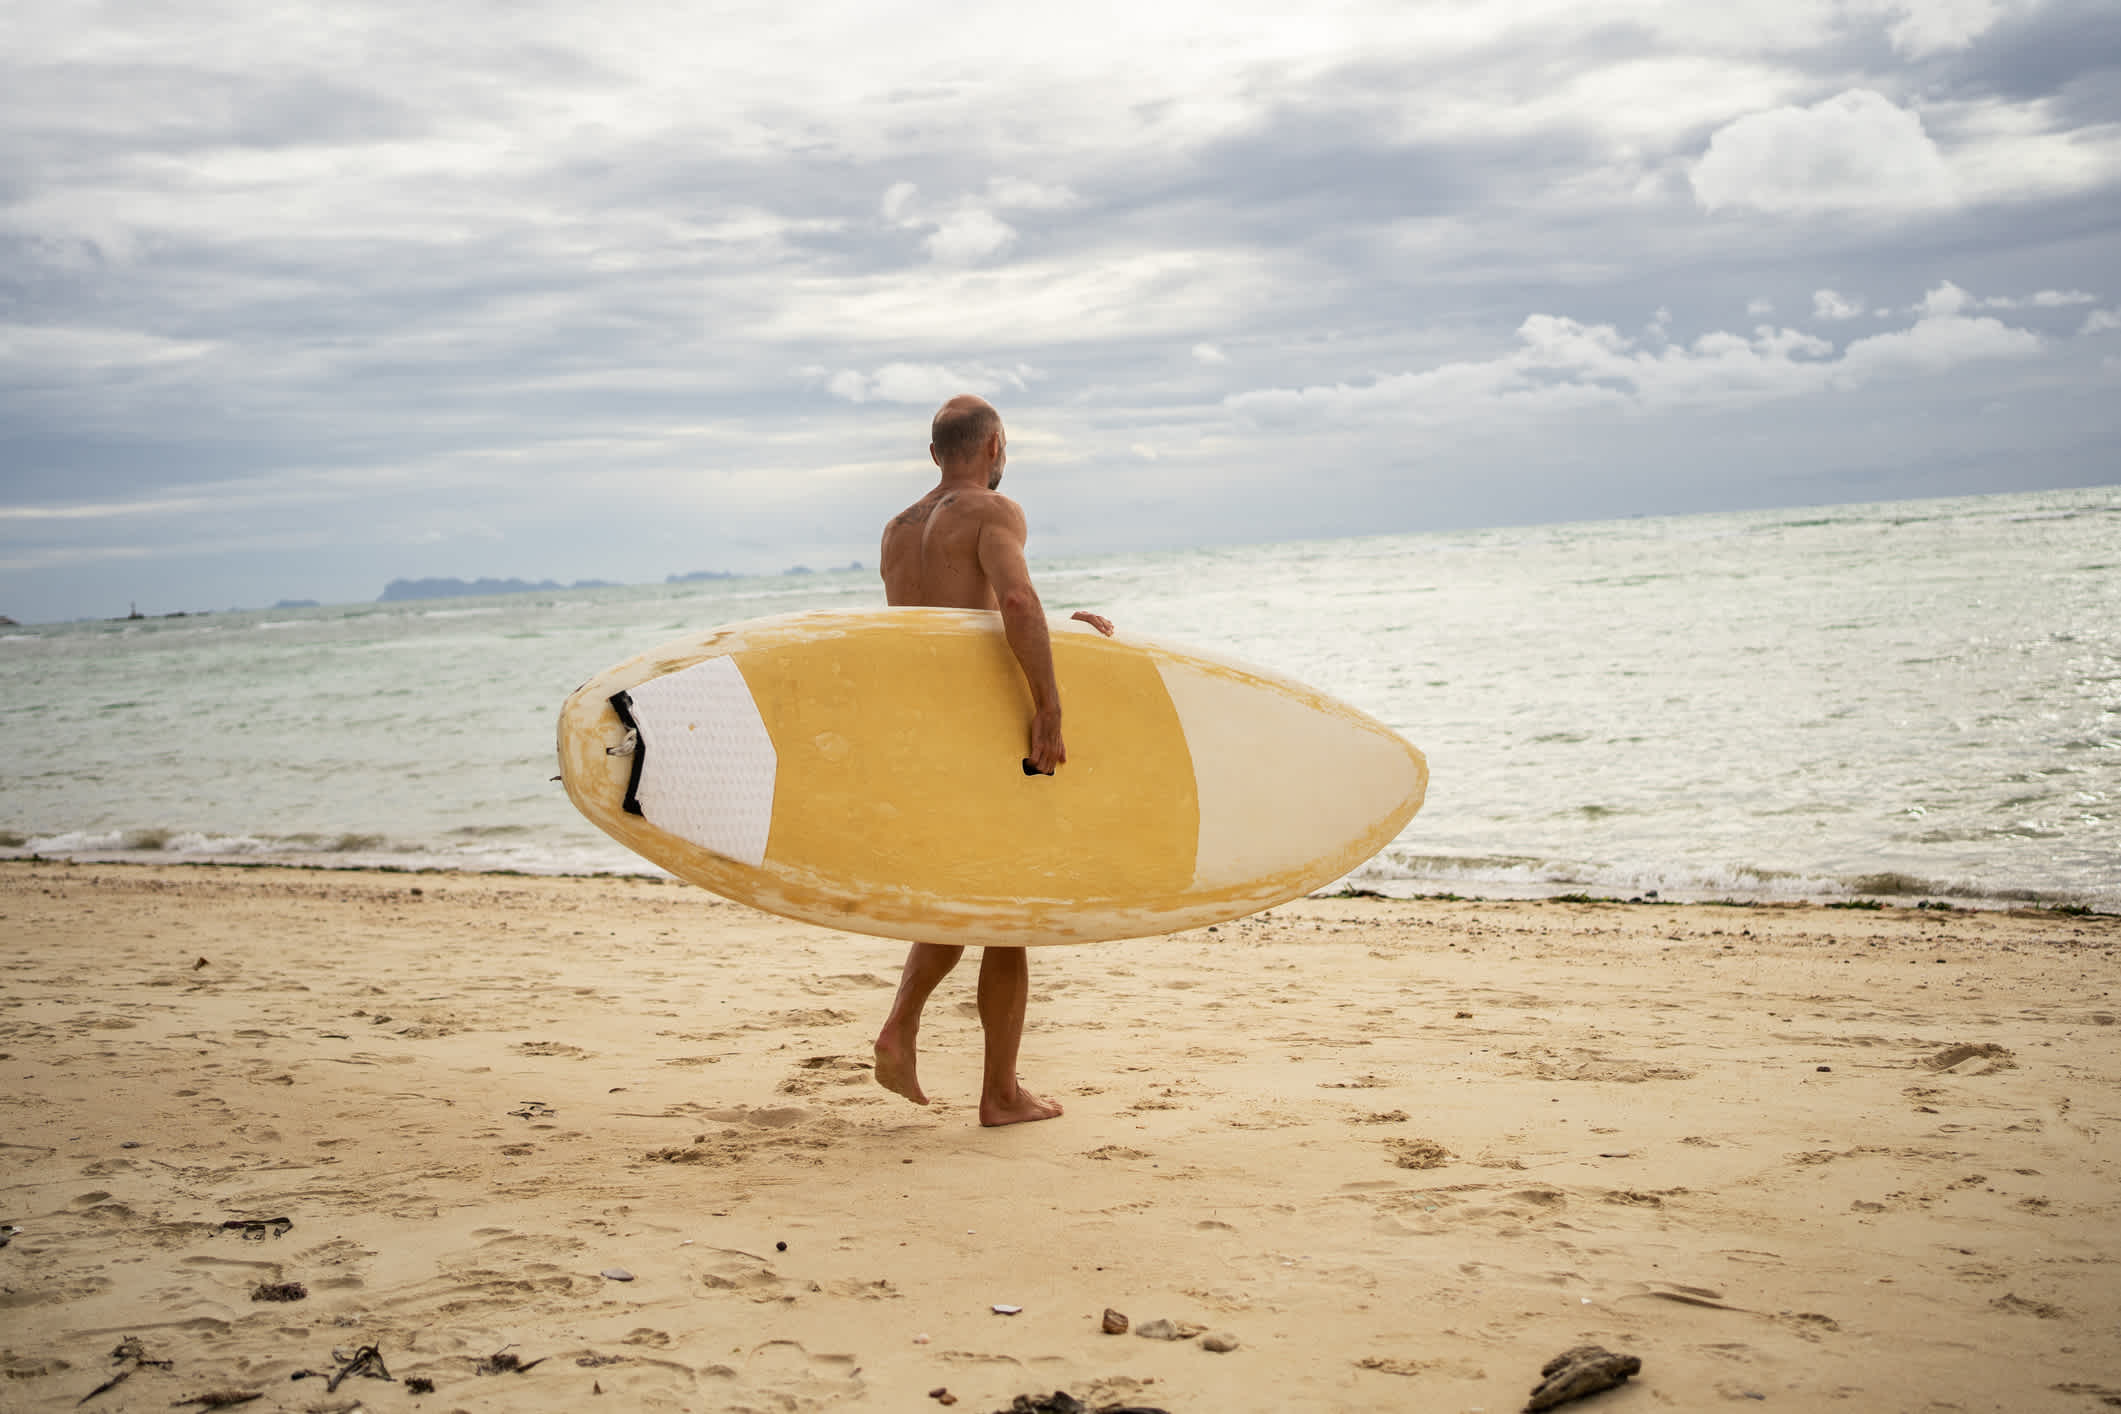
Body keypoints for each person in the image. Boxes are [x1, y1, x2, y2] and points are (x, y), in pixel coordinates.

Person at [871, 394, 1113, 1127]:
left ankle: (901, 1023)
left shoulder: (896, 530)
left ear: (934, 451)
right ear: (994, 445)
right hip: (988, 736)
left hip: (929, 733)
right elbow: (1011, 601)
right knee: (1008, 905)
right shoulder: (991, 513)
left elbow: (947, 629)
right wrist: (1049, 702)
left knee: (960, 885)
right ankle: (1001, 1092)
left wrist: (1066, 634)